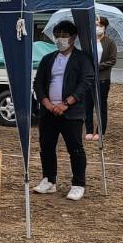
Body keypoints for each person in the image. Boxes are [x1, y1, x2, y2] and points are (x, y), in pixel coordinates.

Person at [33, 20, 96, 200]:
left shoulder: (82, 59)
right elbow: (38, 82)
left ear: (73, 37)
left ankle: (78, 184)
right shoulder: (48, 59)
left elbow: (86, 82)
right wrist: (46, 102)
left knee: (75, 148)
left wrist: (66, 103)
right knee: (46, 147)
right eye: (57, 35)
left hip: (71, 113)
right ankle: (49, 180)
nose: (60, 39)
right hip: (48, 111)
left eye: (64, 35)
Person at [86, 15, 118, 142]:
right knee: (87, 106)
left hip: (103, 79)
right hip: (89, 79)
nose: (98, 28)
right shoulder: (89, 42)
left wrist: (98, 67)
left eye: (100, 25)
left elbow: (112, 60)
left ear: (105, 27)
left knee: (101, 105)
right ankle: (88, 130)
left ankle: (100, 131)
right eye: (95, 25)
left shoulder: (109, 42)